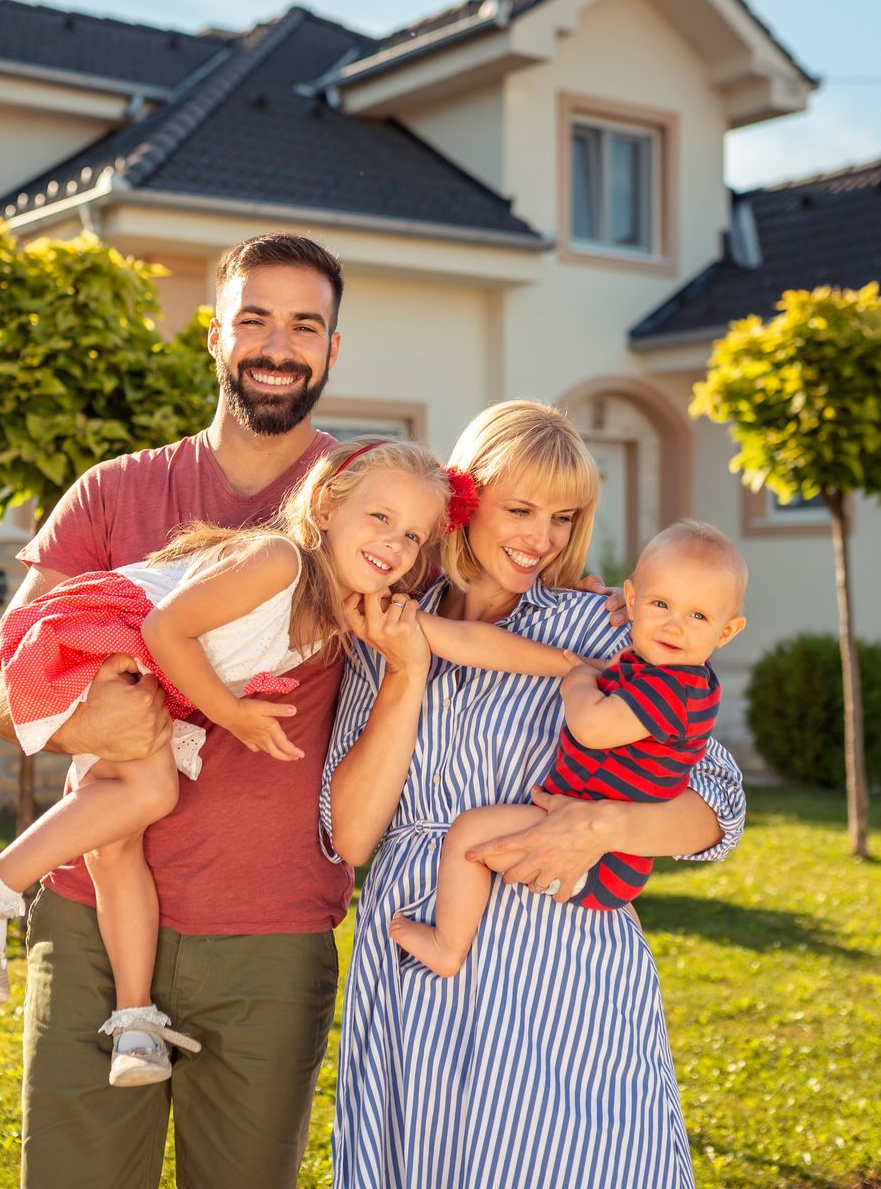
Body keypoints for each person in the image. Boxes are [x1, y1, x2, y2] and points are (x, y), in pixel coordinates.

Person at [0, 438, 580, 1088]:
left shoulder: (346, 607)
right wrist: (233, 712)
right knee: (146, 797)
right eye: (380, 518)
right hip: (107, 640)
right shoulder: (277, 560)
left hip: (153, 675)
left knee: (117, 841)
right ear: (327, 506)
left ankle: (135, 1024)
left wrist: (573, 664)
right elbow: (164, 629)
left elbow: (463, 640)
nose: (394, 544)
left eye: (414, 537)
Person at [0, 232, 352, 1189]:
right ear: (213, 335)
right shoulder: (116, 490)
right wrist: (90, 726)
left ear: (333, 349)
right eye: (254, 318)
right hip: (92, 918)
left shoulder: (366, 507)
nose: (278, 344)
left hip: (272, 929)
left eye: (305, 325)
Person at [322, 400, 748, 1189]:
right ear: (465, 500)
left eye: (564, 516)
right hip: (416, 955)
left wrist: (603, 823)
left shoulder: (604, 627)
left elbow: (719, 807)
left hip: (555, 967)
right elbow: (349, 838)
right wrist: (407, 671)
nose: (541, 537)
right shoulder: (384, 630)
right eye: (519, 509)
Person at [387, 518, 748, 976]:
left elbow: (593, 728)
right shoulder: (650, 667)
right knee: (479, 840)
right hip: (587, 836)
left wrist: (577, 680)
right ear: (633, 599)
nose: (675, 626)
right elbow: (475, 643)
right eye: (661, 604)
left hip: (602, 854)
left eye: (698, 616)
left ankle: (447, 946)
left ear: (727, 631)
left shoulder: (679, 685)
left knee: (469, 836)